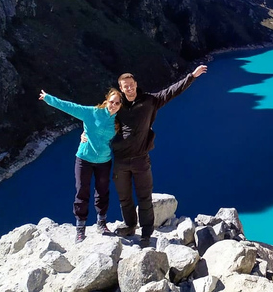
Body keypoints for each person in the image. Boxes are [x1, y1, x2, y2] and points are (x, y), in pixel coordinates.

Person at [111, 65, 207, 247]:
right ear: (121, 88)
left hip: (140, 159)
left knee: (144, 197)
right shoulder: (117, 105)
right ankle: (130, 226)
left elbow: (172, 91)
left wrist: (192, 76)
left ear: (135, 84)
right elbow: (97, 119)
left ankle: (146, 234)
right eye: (125, 86)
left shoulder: (150, 100)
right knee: (124, 197)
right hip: (121, 160)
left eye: (131, 84)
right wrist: (86, 134)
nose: (129, 88)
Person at [39, 88, 122, 243]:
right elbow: (70, 106)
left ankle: (101, 223)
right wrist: (48, 98)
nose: (114, 105)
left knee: (102, 191)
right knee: (82, 191)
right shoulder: (91, 112)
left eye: (117, 103)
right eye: (112, 102)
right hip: (84, 158)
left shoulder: (118, 121)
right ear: (106, 101)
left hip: (104, 160)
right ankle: (80, 229)